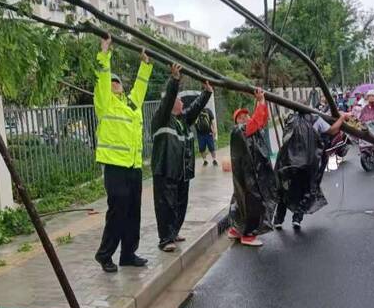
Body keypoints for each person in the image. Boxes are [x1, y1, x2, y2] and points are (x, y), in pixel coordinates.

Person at [93, 35, 153, 273]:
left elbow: (140, 85)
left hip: (133, 166)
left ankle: (128, 254)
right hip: (114, 167)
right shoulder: (105, 103)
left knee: (133, 213)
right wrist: (104, 53)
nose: (115, 83)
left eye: (118, 81)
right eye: (112, 81)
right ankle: (104, 254)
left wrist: (145, 64)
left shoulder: (132, 104)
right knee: (117, 212)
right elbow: (102, 75)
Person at [151, 64, 213, 252]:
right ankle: (165, 239)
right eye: (179, 101)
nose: (182, 104)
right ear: (170, 104)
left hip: (182, 171)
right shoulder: (162, 118)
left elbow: (195, 107)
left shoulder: (183, 120)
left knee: (180, 203)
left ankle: (174, 231)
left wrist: (207, 92)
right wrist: (175, 79)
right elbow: (169, 98)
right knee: (166, 205)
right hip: (166, 169)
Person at [274, 111, 350, 231]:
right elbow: (332, 131)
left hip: (289, 161)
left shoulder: (290, 119)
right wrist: (341, 119)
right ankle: (297, 218)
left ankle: (278, 219)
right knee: (308, 190)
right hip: (309, 162)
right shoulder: (316, 119)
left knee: (286, 188)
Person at [227, 88, 278, 247]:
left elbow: (260, 121)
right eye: (240, 117)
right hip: (249, 178)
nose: (244, 118)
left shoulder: (248, 130)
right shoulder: (240, 130)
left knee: (240, 201)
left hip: (247, 176)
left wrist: (261, 101)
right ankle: (248, 235)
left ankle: (236, 229)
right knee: (251, 203)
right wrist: (261, 102)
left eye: (246, 115)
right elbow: (256, 122)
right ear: (236, 121)